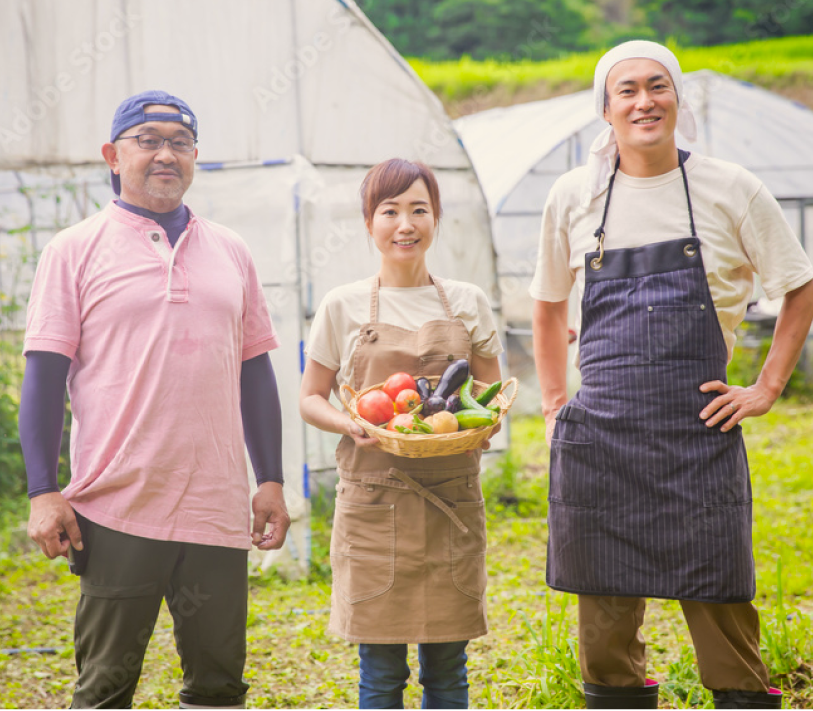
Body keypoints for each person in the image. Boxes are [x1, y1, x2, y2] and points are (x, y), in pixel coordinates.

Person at [530, 41, 813, 711]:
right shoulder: (574, 195)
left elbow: (797, 287)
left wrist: (766, 387)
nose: (643, 101)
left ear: (676, 99)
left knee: (719, 602)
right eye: (625, 90)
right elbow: (545, 307)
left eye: (656, 86)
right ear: (605, 109)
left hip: (696, 434)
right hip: (599, 441)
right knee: (601, 622)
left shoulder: (727, 186)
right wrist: (552, 406)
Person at [19, 90, 290, 711]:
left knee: (219, 686)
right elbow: (42, 380)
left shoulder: (231, 251)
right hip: (116, 508)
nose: (166, 154)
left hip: (216, 508)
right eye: (149, 140)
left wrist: (269, 479)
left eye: (180, 142)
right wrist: (43, 491)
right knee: (107, 685)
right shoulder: (74, 250)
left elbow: (255, 372)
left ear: (196, 156)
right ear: (114, 155)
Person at [299, 158, 503, 710]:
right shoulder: (342, 305)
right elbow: (310, 397)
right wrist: (352, 423)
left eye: (419, 209)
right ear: (370, 222)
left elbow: (489, 397)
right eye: (390, 211)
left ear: (436, 219)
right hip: (372, 503)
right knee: (381, 674)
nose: (405, 224)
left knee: (448, 670)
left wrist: (481, 431)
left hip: (451, 501)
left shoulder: (467, 301)